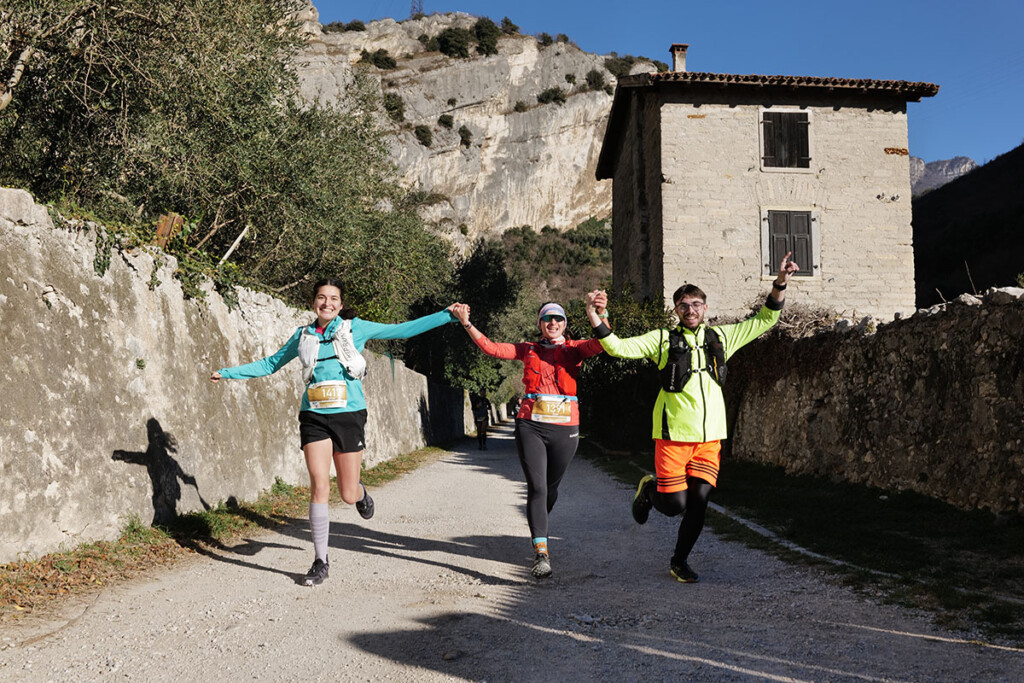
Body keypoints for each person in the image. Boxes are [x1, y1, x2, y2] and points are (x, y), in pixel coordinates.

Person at [211, 278, 458, 586]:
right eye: (321, 297)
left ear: (340, 305)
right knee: (319, 485)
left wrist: (447, 315)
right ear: (313, 302)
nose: (326, 303)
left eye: (333, 299)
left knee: (347, 492)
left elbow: (402, 329)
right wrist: (228, 373)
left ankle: (360, 493)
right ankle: (320, 560)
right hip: (313, 415)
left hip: (349, 415)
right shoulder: (302, 336)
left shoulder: (356, 329)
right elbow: (271, 364)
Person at [585, 253, 799, 583]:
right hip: (673, 437)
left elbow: (765, 320)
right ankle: (649, 490)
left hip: (710, 439)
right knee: (674, 506)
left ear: (705, 308)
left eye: (696, 304)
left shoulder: (722, 338)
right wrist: (595, 315)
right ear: (676, 310)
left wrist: (780, 282)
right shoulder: (662, 339)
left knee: (699, 503)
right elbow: (618, 348)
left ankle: (679, 561)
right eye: (684, 305)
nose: (690, 310)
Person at [450, 298, 607, 578]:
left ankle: (538, 520)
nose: (553, 323)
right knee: (537, 487)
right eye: (547, 319)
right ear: (539, 324)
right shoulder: (528, 349)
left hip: (565, 428)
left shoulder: (576, 349)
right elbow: (492, 348)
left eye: (558, 319)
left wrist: (600, 313)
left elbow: (603, 342)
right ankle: (541, 553)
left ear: (564, 324)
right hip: (530, 425)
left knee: (550, 488)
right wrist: (466, 323)